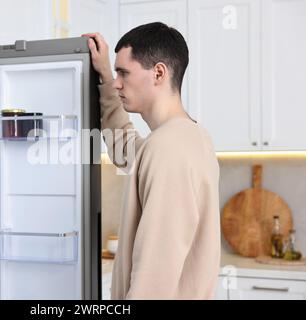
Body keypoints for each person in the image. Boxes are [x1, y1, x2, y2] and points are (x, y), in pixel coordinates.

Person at [82, 22, 221, 300]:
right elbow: (125, 149)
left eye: (124, 73)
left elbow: (155, 271)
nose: (118, 83)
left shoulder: (168, 148)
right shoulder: (184, 137)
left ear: (158, 73)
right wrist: (106, 76)